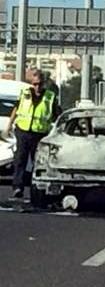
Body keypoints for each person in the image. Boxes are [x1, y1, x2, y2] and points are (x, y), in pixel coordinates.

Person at [3, 69, 62, 199]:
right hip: (23, 131)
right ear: (31, 83)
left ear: (44, 84)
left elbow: (56, 115)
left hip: (39, 133)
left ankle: (36, 188)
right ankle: (18, 187)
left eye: (40, 84)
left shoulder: (50, 97)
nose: (37, 87)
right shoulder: (25, 94)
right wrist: (9, 125)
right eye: (35, 84)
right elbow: (16, 109)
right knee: (20, 160)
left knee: (37, 162)